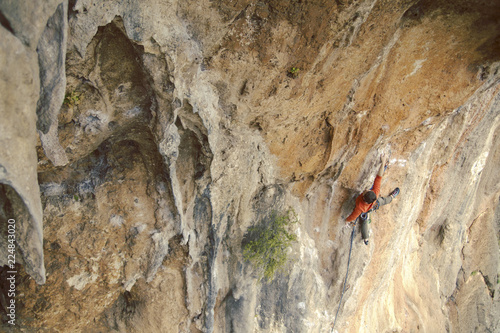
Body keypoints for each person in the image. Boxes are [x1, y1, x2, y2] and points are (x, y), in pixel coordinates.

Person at [345, 155, 399, 245]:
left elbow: (353, 216)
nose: (366, 190)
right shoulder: (375, 192)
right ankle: (392, 197)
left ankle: (366, 238)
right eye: (368, 191)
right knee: (383, 201)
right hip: (375, 203)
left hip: (367, 209)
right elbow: (379, 177)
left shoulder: (360, 207)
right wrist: (383, 163)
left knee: (364, 222)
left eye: (366, 192)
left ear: (364, 199)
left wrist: (346, 221)